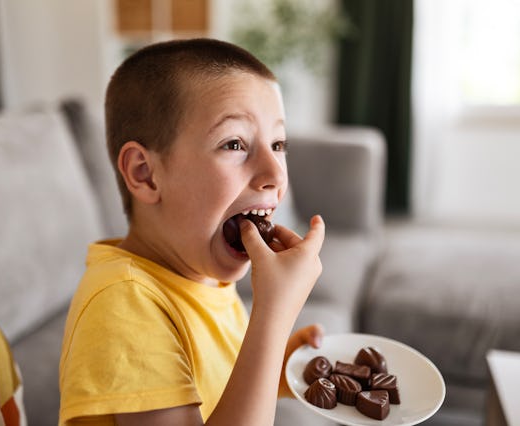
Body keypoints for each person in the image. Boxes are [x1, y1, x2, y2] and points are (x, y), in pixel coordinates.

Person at [58, 38, 325, 425]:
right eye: (234, 143)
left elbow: (217, 382)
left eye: (278, 143)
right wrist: (274, 316)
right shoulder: (123, 304)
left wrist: (282, 365)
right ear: (144, 173)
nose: (275, 175)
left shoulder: (201, 272)